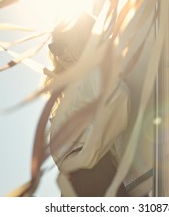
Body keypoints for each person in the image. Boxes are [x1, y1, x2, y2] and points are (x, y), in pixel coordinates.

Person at [46, 12, 130, 197]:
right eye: (57, 48)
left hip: (93, 179)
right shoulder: (73, 89)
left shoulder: (93, 73)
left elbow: (117, 96)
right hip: (76, 183)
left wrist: (84, 158)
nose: (64, 53)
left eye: (71, 42)